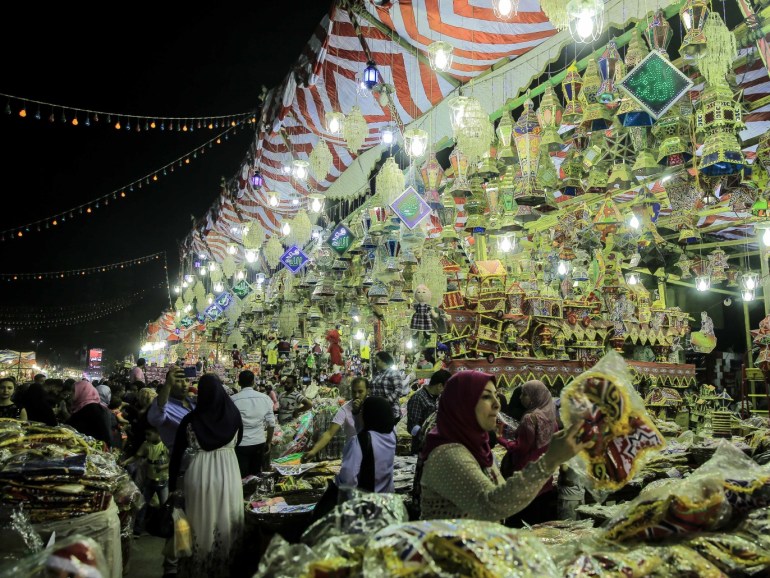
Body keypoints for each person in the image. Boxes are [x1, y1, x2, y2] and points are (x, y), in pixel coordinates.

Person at [419, 370, 589, 521]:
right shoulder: (448, 454)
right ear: (463, 403)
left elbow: (503, 493)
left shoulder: (479, 451)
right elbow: (491, 505)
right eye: (486, 396)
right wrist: (550, 460)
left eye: (495, 395)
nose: (497, 404)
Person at [169, 374, 244, 578]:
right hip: (229, 474)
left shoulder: (191, 420)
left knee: (200, 521)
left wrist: (171, 486)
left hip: (199, 475)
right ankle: (226, 570)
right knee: (228, 520)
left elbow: (176, 456)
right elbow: (239, 442)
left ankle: (200, 571)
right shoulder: (234, 416)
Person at [311, 396, 397, 522]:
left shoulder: (359, 442)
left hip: (365, 507)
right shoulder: (392, 435)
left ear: (369, 416)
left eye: (363, 412)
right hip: (387, 503)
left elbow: (348, 479)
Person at [499, 380, 560, 527]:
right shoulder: (552, 418)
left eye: (524, 394)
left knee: (521, 525)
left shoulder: (530, 418)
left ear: (535, 396)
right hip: (544, 476)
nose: (520, 398)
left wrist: (501, 439)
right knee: (539, 525)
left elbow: (521, 448)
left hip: (525, 476)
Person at [302, 377, 369, 463]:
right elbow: (329, 433)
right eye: (354, 391)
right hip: (353, 454)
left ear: (367, 391)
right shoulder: (345, 409)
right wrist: (313, 451)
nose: (356, 395)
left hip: (371, 452)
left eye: (360, 392)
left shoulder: (374, 406)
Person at [122, 423, 169, 536]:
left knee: (165, 506)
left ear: (158, 433)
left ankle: (164, 529)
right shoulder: (146, 445)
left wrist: (162, 467)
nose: (146, 437)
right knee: (142, 505)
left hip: (163, 481)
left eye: (149, 434)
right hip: (150, 480)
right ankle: (138, 528)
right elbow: (136, 456)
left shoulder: (166, 444)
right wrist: (126, 462)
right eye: (146, 434)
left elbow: (172, 460)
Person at [231, 370, 275, 477]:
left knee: (241, 476)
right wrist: (269, 441)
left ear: (239, 383)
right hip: (259, 442)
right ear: (253, 382)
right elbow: (271, 423)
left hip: (240, 444)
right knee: (256, 475)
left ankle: (243, 493)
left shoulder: (233, 400)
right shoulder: (265, 398)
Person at [407, 369, 450, 454]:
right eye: (447, 387)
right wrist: (426, 435)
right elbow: (412, 426)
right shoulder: (418, 398)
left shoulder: (438, 396)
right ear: (440, 386)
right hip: (422, 447)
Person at [65, 380, 112, 447]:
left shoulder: (92, 408)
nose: (70, 393)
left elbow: (103, 432)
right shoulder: (81, 405)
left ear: (83, 391)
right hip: (81, 445)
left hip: (91, 448)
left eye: (73, 391)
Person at [370, 351, 406, 423]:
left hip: (390, 411)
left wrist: (385, 401)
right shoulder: (377, 375)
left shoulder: (393, 373)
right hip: (377, 411)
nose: (375, 363)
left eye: (377, 361)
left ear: (384, 361)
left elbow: (399, 391)